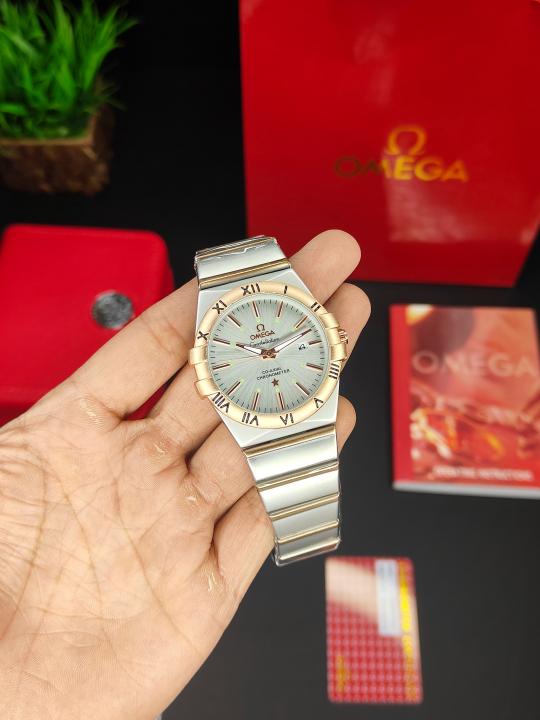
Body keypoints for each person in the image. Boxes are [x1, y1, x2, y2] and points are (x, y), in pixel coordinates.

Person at [0, 230, 370, 719]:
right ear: (205, 371)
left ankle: (309, 527)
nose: (267, 355)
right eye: (258, 352)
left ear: (331, 339)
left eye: (272, 350)